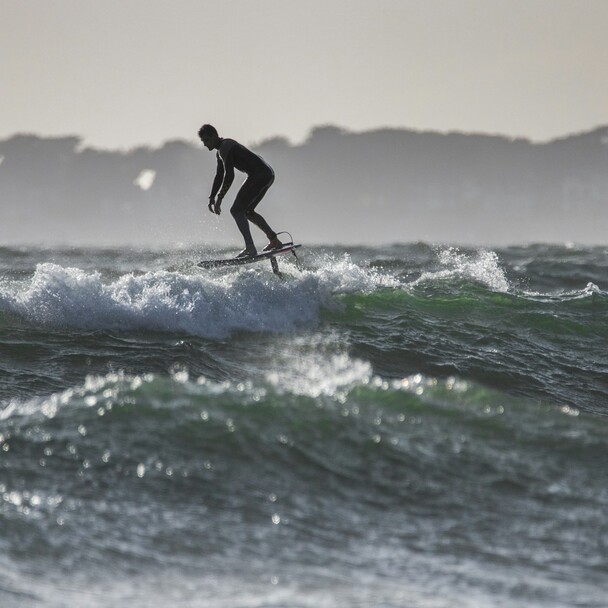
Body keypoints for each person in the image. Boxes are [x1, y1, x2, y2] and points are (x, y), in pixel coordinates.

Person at [198, 124, 283, 258]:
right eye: (203, 141)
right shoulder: (220, 152)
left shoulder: (226, 146)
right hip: (267, 174)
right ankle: (274, 240)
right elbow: (219, 176)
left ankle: (250, 247)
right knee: (247, 211)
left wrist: (220, 198)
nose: (205, 144)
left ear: (214, 136)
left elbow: (229, 175)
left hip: (259, 176)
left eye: (206, 140)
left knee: (236, 210)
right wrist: (211, 197)